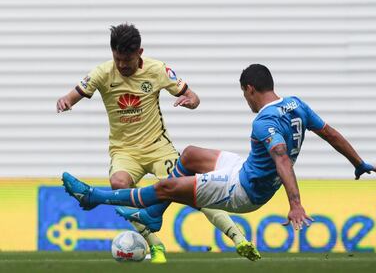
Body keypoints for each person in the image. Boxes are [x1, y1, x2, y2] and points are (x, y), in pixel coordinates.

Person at [62, 63, 376, 242]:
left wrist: (295, 205)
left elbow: (282, 157)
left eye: (244, 95)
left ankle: (93, 197)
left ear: (249, 90)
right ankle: (155, 215)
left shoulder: (264, 122)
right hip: (245, 167)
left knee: (163, 187)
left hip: (245, 191)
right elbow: (330, 132)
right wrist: (358, 162)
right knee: (188, 155)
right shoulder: (296, 104)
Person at [56, 23, 258, 263]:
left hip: (157, 148)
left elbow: (193, 96)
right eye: (117, 59)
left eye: (127, 60)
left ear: (139, 53)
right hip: (124, 151)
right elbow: (72, 95)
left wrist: (190, 101)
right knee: (118, 184)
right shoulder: (102, 73)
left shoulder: (157, 69)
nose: (121, 65)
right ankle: (155, 245)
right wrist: (66, 102)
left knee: (196, 191)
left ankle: (239, 238)